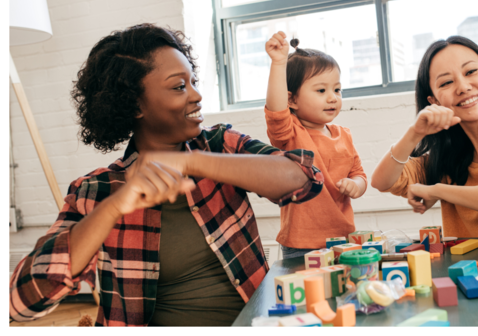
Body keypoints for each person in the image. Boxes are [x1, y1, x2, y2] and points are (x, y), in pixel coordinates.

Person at [9, 24, 323, 326]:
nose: (197, 95)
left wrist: (192, 163)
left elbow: (304, 177)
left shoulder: (218, 146)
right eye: (179, 86)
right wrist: (113, 208)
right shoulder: (96, 191)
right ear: (134, 105)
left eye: (194, 81)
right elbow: (19, 304)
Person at [371, 36, 478, 241]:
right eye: (446, 82)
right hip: (468, 273)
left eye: (471, 72)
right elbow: (382, 182)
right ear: (434, 101)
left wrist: (438, 191)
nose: (463, 87)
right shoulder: (444, 158)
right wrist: (414, 133)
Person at [264, 32, 367, 258]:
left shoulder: (344, 135)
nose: (332, 98)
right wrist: (279, 63)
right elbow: (276, 111)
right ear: (291, 100)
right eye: (321, 90)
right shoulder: (290, 134)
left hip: (343, 239)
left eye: (337, 90)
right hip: (301, 245)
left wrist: (356, 185)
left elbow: (359, 174)